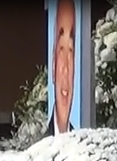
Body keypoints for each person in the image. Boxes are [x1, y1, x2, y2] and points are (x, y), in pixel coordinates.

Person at [49, 0, 77, 135]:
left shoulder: (85, 145)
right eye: (61, 50)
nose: (66, 69)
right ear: (53, 66)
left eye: (70, 51)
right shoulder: (36, 144)